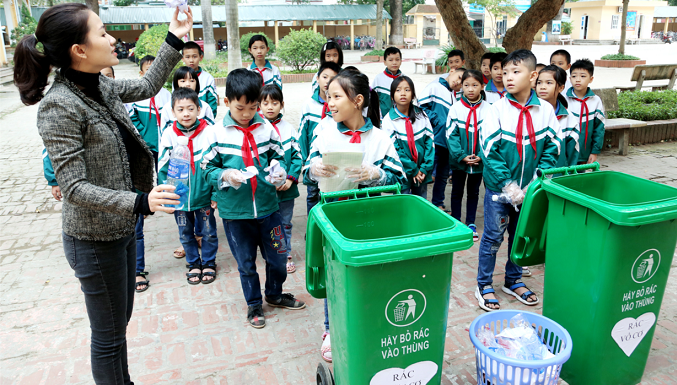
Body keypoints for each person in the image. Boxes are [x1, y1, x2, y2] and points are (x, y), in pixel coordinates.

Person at [16, 3, 192, 383]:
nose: (112, 39)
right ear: (79, 50)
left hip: (121, 230)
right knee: (109, 337)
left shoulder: (100, 85)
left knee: (118, 324)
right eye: (101, 33)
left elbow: (146, 86)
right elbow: (74, 187)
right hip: (94, 241)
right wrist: (140, 201)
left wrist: (175, 35)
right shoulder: (59, 107)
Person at [303, 68, 406, 364]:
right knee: (333, 274)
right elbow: (306, 169)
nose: (330, 102)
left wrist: (376, 174)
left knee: (366, 273)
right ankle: (330, 330)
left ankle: (369, 324)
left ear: (358, 100)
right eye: (327, 96)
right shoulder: (324, 132)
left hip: (369, 220)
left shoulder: (380, 139)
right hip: (333, 219)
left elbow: (401, 178)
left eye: (336, 96)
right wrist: (314, 170)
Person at [202, 69, 306, 329]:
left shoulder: (267, 129)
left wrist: (279, 170)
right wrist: (225, 174)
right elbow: (206, 169)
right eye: (241, 108)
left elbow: (279, 156)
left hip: (269, 209)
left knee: (279, 256)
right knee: (246, 263)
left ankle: (274, 293)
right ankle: (254, 304)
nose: (247, 114)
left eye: (253, 107)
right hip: (236, 215)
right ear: (226, 103)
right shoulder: (216, 134)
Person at [476, 49, 562, 312]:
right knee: (492, 237)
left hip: (530, 191)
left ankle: (513, 280)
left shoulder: (545, 111)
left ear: (533, 75)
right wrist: (509, 186)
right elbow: (490, 151)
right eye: (505, 72)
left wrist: (534, 183)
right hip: (499, 191)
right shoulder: (495, 110)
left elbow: (553, 148)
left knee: (520, 236)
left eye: (516, 71)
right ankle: (484, 284)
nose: (508, 77)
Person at [158, 88, 219, 285]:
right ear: (173, 112)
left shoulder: (209, 132)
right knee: (185, 233)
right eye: (180, 109)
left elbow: (217, 164)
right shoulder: (168, 135)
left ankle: (209, 262)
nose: (186, 113)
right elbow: (162, 167)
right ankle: (193, 263)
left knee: (209, 231)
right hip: (180, 199)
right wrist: (166, 197)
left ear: (199, 110)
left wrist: (216, 192)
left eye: (190, 108)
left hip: (204, 195)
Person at [259, 84, 302, 274]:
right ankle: (271, 253)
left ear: (282, 104)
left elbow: (297, 157)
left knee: (285, 222)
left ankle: (286, 254)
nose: (270, 107)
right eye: (265, 103)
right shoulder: (257, 129)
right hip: (265, 190)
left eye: (274, 103)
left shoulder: (289, 129)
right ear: (259, 105)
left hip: (287, 189)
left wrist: (291, 179)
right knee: (266, 223)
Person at [447, 69, 491, 242]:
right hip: (459, 162)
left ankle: (471, 223)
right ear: (461, 87)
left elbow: (490, 135)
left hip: (479, 162)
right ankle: (456, 221)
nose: (470, 89)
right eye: (466, 85)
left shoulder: (488, 110)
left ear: (482, 85)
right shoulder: (456, 109)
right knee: (457, 191)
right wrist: (461, 155)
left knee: (474, 192)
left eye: (475, 85)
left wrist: (481, 155)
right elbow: (451, 135)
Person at [380, 76, 434, 198]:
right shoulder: (389, 120)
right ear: (392, 96)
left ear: (413, 94)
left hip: (422, 171)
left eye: (407, 90)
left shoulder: (422, 115)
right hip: (402, 171)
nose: (403, 93)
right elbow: (395, 150)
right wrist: (413, 170)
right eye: (398, 90)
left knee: (421, 202)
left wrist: (424, 168)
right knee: (402, 202)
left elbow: (429, 142)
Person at [419, 67, 464, 211]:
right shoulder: (434, 87)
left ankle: (438, 203)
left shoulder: (453, 95)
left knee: (442, 175)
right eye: (458, 77)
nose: (458, 82)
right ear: (452, 71)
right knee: (427, 173)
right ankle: (422, 204)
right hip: (434, 140)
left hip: (447, 142)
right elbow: (420, 106)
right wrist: (437, 120)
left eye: (462, 82)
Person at [298, 62, 341, 213]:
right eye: (324, 77)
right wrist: (305, 161)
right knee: (312, 196)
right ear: (317, 79)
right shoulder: (309, 105)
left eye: (333, 78)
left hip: (332, 163)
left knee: (330, 197)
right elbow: (302, 135)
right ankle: (313, 230)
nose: (328, 81)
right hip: (314, 160)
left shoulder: (339, 106)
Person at [128, 55, 172, 162]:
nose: (153, 73)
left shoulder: (167, 94)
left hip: (164, 142)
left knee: (162, 167)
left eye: (155, 70)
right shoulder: (137, 94)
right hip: (145, 141)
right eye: (148, 70)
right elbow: (131, 115)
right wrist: (142, 131)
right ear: (141, 74)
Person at [537, 65, 579, 167]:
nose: (542, 86)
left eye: (549, 83)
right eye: (539, 82)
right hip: (532, 178)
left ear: (561, 88)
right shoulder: (529, 114)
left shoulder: (569, 118)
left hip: (558, 175)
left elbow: (573, 153)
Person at [564, 59, 605, 165]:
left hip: (585, 152)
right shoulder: (563, 100)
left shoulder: (596, 101)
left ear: (591, 79)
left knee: (581, 177)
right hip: (565, 152)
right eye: (574, 76)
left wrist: (594, 151)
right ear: (569, 78)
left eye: (583, 76)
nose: (578, 80)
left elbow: (599, 129)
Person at [161, 66, 215, 135]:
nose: (188, 84)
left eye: (192, 81)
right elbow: (164, 135)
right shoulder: (167, 108)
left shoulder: (205, 107)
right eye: (183, 81)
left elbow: (212, 132)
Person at [181, 41, 219, 115]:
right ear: (183, 58)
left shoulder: (208, 78)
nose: (191, 60)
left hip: (204, 122)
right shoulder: (178, 78)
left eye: (194, 56)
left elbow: (212, 103)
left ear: (200, 57)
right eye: (187, 57)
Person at [371, 46, 403, 118]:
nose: (394, 62)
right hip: (383, 118)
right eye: (390, 60)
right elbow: (372, 99)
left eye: (397, 60)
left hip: (401, 118)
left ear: (401, 61)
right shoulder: (378, 79)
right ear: (385, 62)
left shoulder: (405, 79)